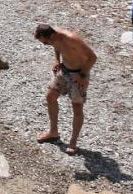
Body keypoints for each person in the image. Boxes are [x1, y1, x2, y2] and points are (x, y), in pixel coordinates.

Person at [34, 24, 97, 155]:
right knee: (50, 97)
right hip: (64, 70)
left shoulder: (72, 38)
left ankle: (73, 142)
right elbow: (56, 46)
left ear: (51, 35)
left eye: (46, 42)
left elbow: (92, 57)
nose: (46, 45)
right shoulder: (53, 37)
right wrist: (57, 59)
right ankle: (53, 132)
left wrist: (83, 75)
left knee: (77, 107)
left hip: (79, 75)